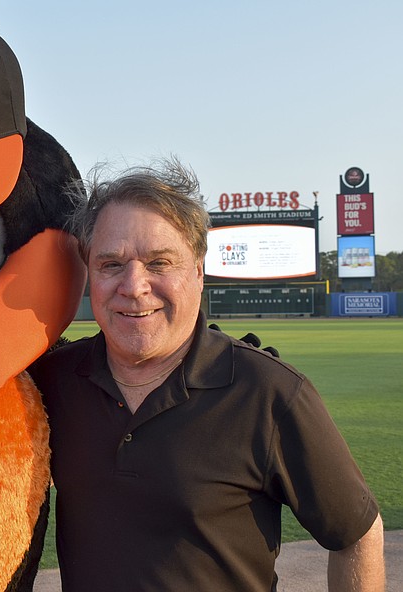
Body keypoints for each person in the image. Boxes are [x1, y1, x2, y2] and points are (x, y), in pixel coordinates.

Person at [28, 158, 385, 591]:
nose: (134, 286)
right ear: (90, 275)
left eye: (159, 263)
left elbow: (356, 533)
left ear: (198, 271)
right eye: (111, 264)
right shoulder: (51, 382)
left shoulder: (269, 393)